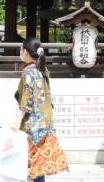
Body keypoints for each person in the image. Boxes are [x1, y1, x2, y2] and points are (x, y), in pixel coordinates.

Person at [11, 38, 67, 182]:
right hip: (45, 124)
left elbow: (27, 99)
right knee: (38, 166)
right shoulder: (42, 70)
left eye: (21, 49)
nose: (20, 52)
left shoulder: (29, 72)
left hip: (32, 125)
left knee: (30, 165)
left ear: (27, 52)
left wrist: (17, 120)